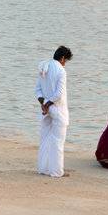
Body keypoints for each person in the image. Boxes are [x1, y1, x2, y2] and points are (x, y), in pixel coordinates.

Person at [35, 45, 71, 178]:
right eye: (65, 61)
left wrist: (44, 105)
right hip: (58, 110)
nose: (65, 64)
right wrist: (49, 104)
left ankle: (43, 169)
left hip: (46, 110)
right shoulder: (61, 71)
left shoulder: (44, 67)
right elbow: (59, 94)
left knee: (45, 139)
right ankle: (56, 171)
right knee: (57, 141)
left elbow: (38, 90)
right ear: (62, 58)